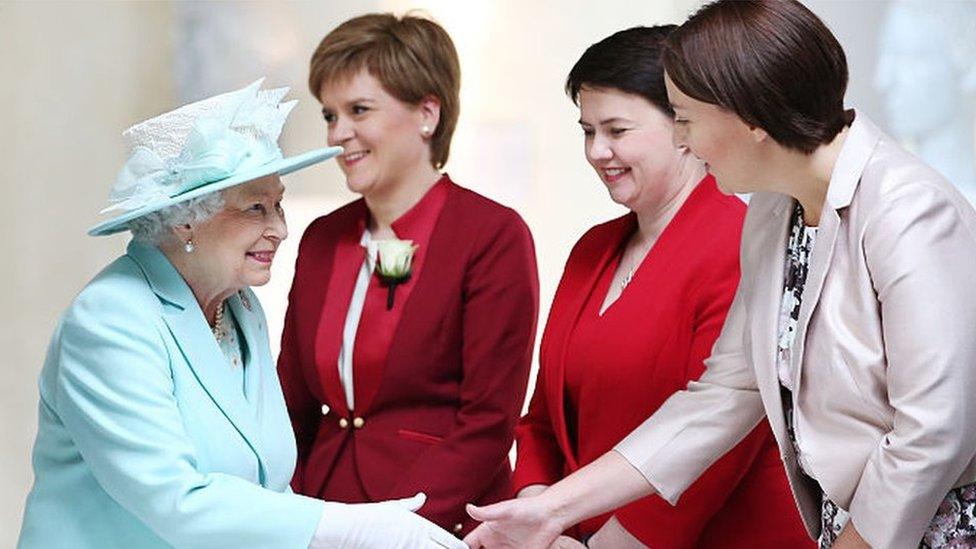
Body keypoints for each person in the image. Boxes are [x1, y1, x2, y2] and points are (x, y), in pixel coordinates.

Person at [463, 1, 976, 548]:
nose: (685, 141)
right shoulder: (774, 212)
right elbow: (725, 394)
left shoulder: (908, 209)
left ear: (749, 116)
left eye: (684, 118)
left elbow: (933, 432)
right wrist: (551, 510)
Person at [18, 79, 465, 549]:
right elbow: (177, 500)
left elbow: (265, 487)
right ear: (187, 219)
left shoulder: (239, 305)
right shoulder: (110, 320)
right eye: (256, 208)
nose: (281, 229)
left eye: (278, 204)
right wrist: (348, 528)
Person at [510, 26, 809, 548]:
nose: (598, 151)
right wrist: (538, 517)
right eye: (587, 131)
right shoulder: (591, 249)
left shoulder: (742, 242)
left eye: (617, 130)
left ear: (683, 124)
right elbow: (542, 417)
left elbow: (718, 448)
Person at [278, 13, 539, 538]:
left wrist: (400, 525)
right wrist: (292, 511)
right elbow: (292, 402)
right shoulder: (322, 238)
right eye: (330, 115)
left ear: (427, 113)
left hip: (442, 518)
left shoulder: (492, 235)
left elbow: (489, 421)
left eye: (359, 111)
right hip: (325, 511)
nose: (337, 134)